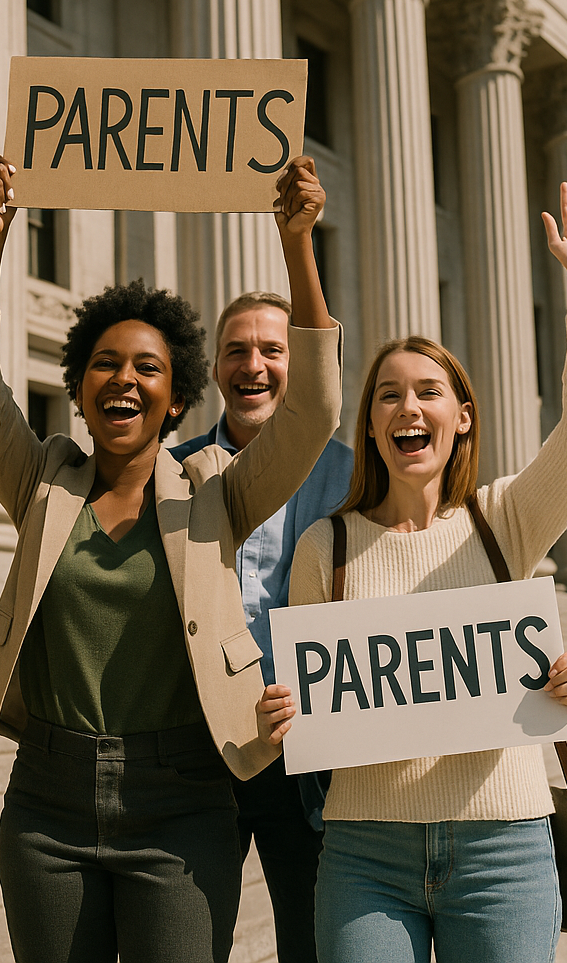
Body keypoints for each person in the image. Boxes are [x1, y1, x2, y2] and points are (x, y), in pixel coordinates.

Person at [0, 152, 342, 963]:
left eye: (148, 368)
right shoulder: (42, 479)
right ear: (80, 384)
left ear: (177, 393)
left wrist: (297, 244)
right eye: (105, 364)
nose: (124, 379)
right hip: (47, 804)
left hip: (185, 801)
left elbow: (313, 411)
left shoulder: (217, 489)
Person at [259, 178, 567, 963]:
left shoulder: (504, 519)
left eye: (428, 393)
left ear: (462, 418)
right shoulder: (326, 547)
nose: (406, 409)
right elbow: (316, 707)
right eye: (388, 396)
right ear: (372, 424)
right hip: (364, 854)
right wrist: (286, 713)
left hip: (505, 849)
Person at [170, 290, 352, 963]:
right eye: (236, 350)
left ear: (300, 367)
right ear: (215, 369)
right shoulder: (169, 473)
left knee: (313, 945)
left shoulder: (353, 475)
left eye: (273, 350)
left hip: (306, 757)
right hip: (196, 753)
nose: (254, 365)